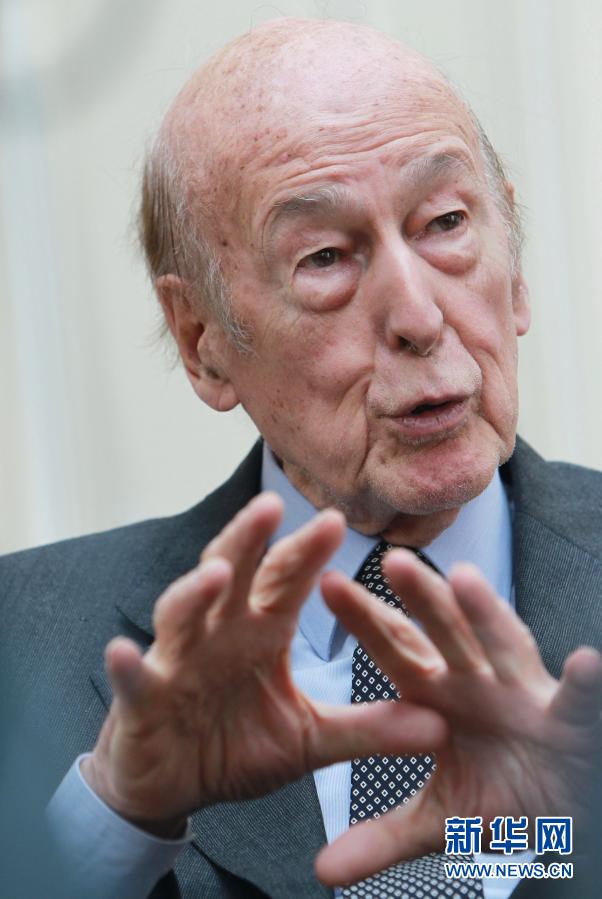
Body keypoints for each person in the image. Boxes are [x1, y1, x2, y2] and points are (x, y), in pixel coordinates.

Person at [1, 16, 601, 899]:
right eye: (325, 257)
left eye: (445, 222)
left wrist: (580, 843)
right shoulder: (22, 644)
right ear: (202, 341)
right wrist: (118, 819)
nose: (419, 315)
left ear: (514, 272)